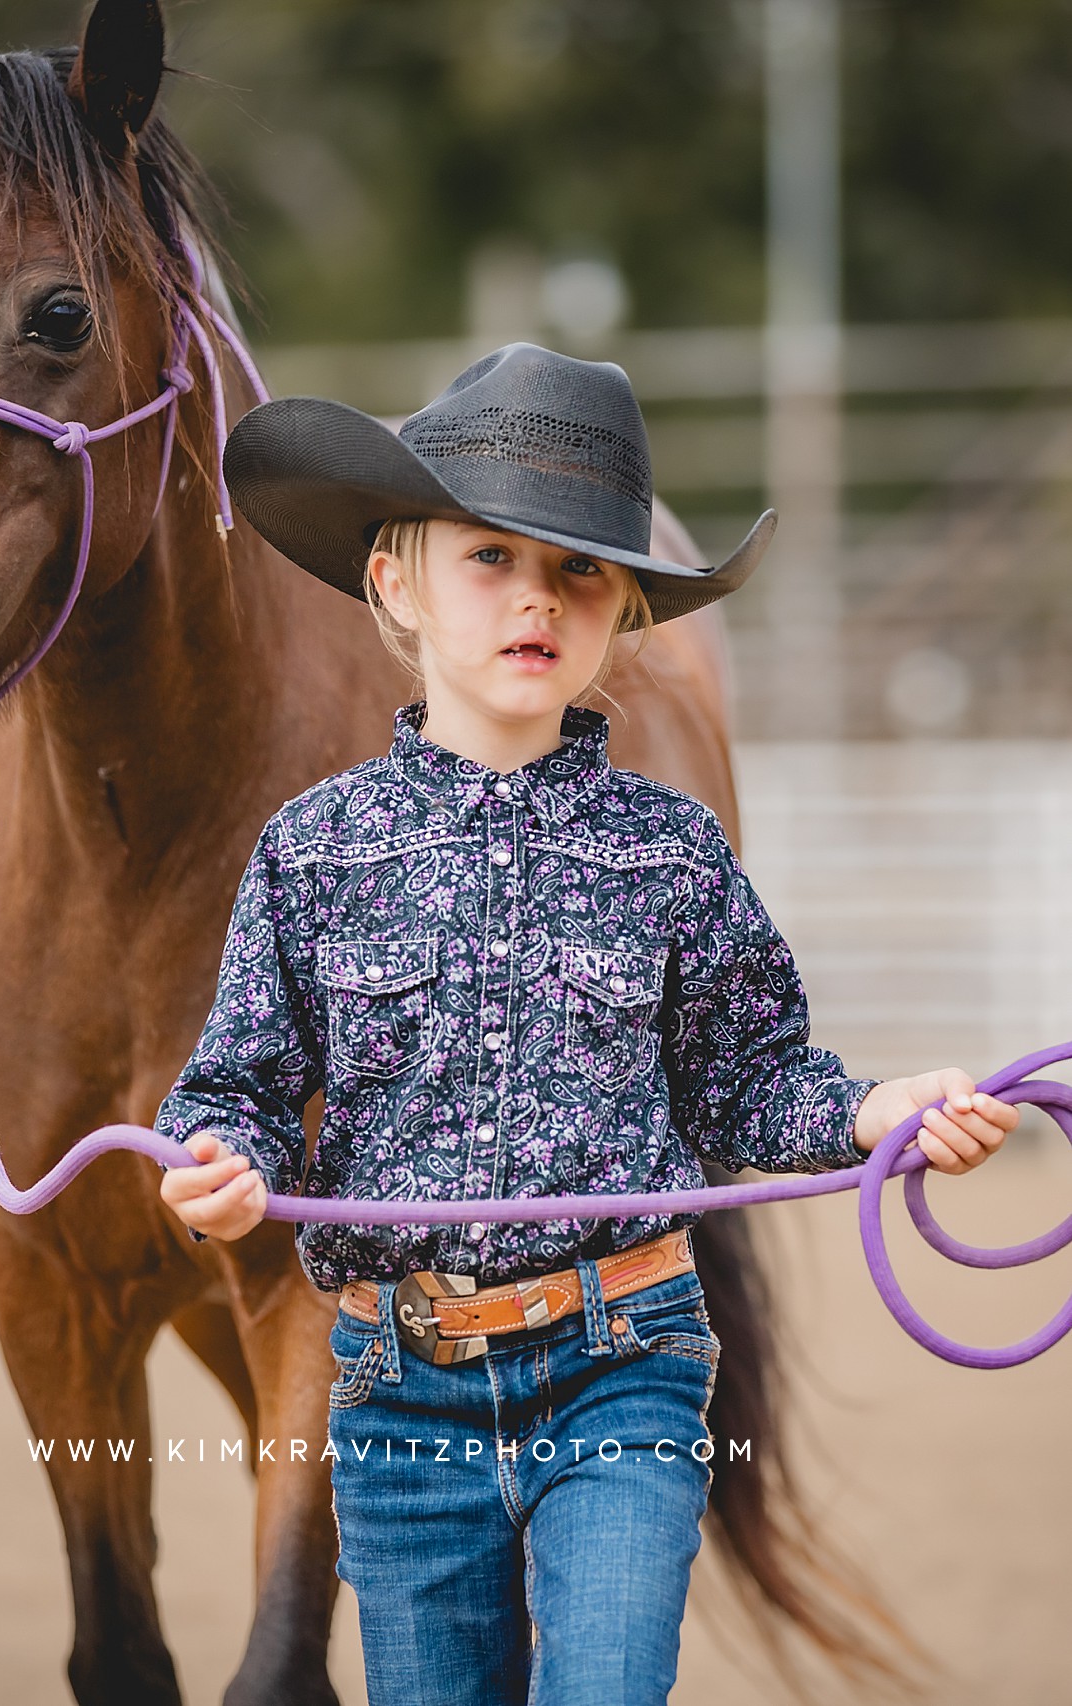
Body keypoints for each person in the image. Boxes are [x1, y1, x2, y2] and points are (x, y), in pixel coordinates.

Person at [153, 344, 1017, 1706]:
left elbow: (749, 1083)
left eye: (579, 572)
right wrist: (210, 1168)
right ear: (396, 578)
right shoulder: (309, 855)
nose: (534, 598)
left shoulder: (671, 852)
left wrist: (875, 1111)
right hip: (394, 1388)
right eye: (488, 556)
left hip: (622, 1370)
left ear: (621, 612)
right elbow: (237, 1086)